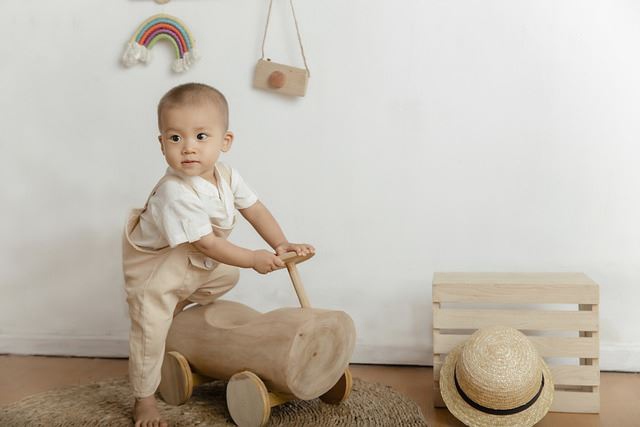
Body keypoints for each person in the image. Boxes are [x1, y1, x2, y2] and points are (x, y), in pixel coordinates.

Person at [122, 82, 314, 427]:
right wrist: (254, 258)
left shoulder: (226, 175)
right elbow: (208, 244)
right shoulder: (174, 192)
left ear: (225, 142)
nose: (188, 149)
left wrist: (279, 244)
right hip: (157, 270)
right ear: (162, 143)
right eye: (175, 138)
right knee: (149, 335)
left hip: (189, 263)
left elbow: (254, 208)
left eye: (200, 136)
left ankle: (176, 305)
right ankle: (144, 399)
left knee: (227, 275)